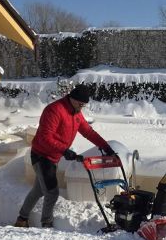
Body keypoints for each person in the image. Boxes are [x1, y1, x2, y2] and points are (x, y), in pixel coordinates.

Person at [14, 85, 115, 228]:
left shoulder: (76, 113)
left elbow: (88, 132)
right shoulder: (54, 110)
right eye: (80, 104)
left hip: (54, 156)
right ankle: (46, 224)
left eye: (84, 105)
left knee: (38, 190)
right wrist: (65, 151)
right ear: (72, 99)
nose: (82, 107)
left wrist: (105, 147)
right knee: (52, 193)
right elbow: (45, 138)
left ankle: (21, 219)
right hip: (42, 155)